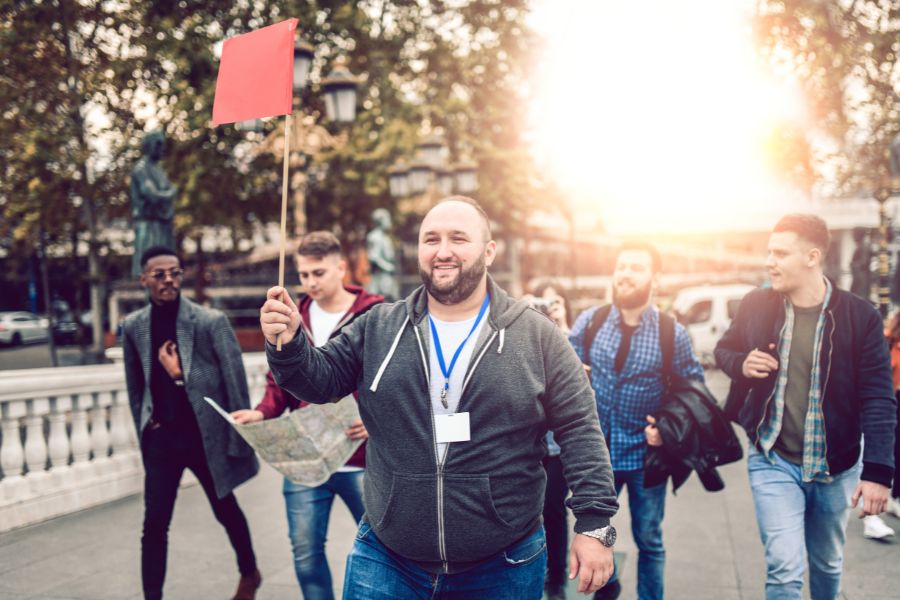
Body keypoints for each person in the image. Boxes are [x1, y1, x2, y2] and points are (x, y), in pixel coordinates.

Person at [260, 196, 619, 599]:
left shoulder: (537, 335)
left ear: (488, 251)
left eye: (458, 238)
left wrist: (594, 524)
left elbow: (580, 428)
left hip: (503, 563)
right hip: (387, 559)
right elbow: (318, 381)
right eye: (431, 239)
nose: (442, 251)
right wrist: (289, 343)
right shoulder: (378, 325)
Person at [715, 214, 897, 599]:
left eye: (780, 253)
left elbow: (879, 397)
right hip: (772, 458)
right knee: (784, 567)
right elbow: (725, 350)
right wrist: (741, 363)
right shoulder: (756, 305)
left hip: (838, 465)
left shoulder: (860, 316)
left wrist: (879, 472)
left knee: (827, 563)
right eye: (769, 252)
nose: (769, 261)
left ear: (812, 257)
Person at [231, 231, 383, 599]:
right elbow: (278, 383)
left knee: (386, 550)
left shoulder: (375, 312)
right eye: (303, 275)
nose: (311, 282)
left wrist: (377, 419)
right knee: (305, 556)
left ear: (340, 268)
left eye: (319, 273)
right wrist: (260, 413)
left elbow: (388, 378)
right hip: (304, 457)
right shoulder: (290, 314)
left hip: (359, 456)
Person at [122, 246, 261, 600]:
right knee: (154, 525)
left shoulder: (209, 321)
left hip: (204, 437)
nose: (169, 280)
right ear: (144, 280)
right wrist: (146, 432)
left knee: (225, 509)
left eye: (175, 273)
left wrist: (182, 377)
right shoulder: (134, 327)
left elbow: (233, 381)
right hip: (162, 441)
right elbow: (135, 386)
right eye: (159, 274)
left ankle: (250, 572)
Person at [569, 241, 705, 600]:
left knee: (649, 539)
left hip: (646, 455)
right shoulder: (591, 321)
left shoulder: (669, 331)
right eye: (622, 266)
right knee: (594, 533)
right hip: (596, 457)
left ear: (654, 279)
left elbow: (694, 390)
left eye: (636, 267)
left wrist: (666, 428)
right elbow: (563, 375)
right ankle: (607, 587)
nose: (625, 274)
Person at [526, 281, 573, 600]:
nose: (546, 309)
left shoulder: (570, 337)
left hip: (556, 448)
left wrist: (564, 327)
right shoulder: (523, 334)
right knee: (528, 511)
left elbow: (581, 377)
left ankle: (555, 576)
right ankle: (533, 570)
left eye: (552, 303)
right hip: (526, 444)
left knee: (554, 510)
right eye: (540, 303)